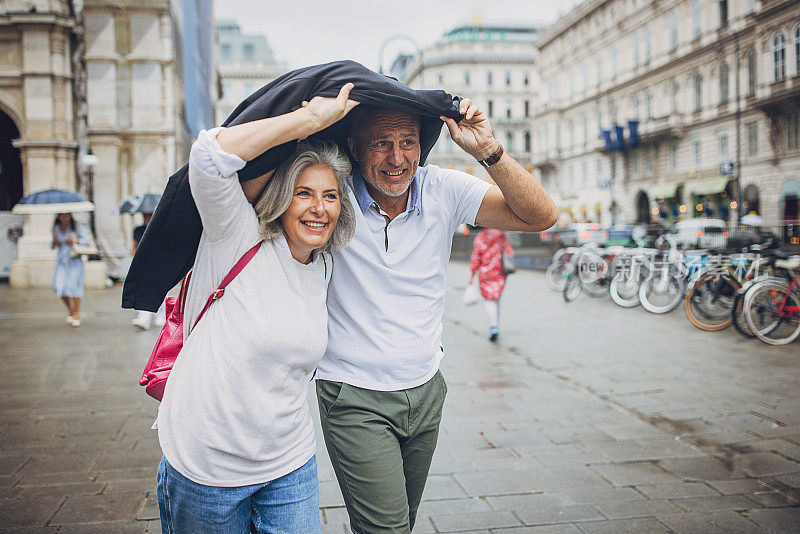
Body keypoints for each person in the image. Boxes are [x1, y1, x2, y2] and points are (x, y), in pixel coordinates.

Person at [316, 100, 557, 532]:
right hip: (354, 395)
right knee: (385, 529)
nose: (397, 158)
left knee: (402, 524)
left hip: (426, 390)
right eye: (382, 144)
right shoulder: (333, 196)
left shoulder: (442, 188)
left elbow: (542, 215)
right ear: (354, 147)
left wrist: (488, 150)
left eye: (408, 142)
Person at [155, 84, 358, 533]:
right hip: (206, 465)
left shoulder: (323, 265)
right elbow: (209, 155)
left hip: (289, 461)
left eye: (330, 195)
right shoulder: (235, 235)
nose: (319, 208)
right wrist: (308, 123)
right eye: (305, 193)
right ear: (283, 196)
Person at [469, 228, 514, 341]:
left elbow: (475, 257)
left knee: (489, 300)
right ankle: (496, 325)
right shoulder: (501, 235)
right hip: (499, 271)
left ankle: (493, 326)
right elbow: (509, 251)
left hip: (485, 273)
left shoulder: (480, 237)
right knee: (497, 298)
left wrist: (472, 274)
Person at [51, 213, 89, 327]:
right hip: (61, 261)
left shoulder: (77, 227)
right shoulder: (56, 229)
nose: (64, 218)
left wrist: (74, 241)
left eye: (66, 216)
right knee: (59, 286)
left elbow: (86, 241)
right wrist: (55, 242)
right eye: (62, 216)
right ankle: (71, 310)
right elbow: (52, 246)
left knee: (74, 286)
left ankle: (76, 313)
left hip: (74, 260)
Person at [131, 211, 166, 330]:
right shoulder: (138, 230)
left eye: (149, 214)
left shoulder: (161, 227)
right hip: (143, 263)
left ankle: (160, 314)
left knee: (158, 290)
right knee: (143, 290)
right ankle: (143, 317)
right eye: (145, 215)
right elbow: (134, 246)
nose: (147, 217)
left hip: (159, 262)